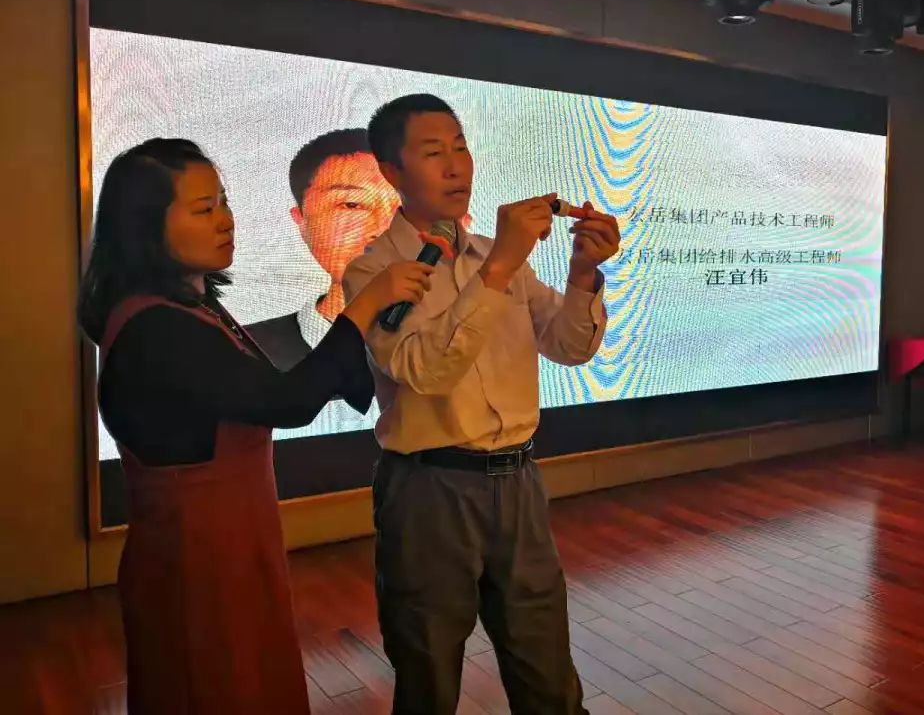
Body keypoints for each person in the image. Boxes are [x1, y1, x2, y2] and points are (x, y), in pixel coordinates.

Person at [78, 138, 433, 715]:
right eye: (203, 209)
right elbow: (288, 402)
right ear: (145, 225)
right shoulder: (157, 327)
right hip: (199, 559)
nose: (226, 220)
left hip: (231, 545)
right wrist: (367, 304)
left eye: (223, 202)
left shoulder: (191, 306)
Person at [343, 94, 621, 714]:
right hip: (429, 489)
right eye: (433, 152)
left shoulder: (499, 259)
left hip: (519, 480)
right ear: (392, 172)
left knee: (545, 663)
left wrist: (581, 273)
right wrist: (499, 266)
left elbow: (570, 346)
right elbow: (425, 370)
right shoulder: (373, 271)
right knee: (429, 668)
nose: (455, 166)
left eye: (461, 148)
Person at [246, 129, 400, 371]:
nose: (384, 230)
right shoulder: (242, 354)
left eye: (408, 206)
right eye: (352, 204)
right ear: (301, 220)